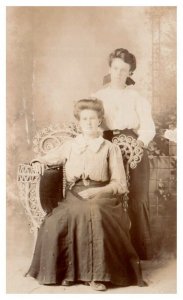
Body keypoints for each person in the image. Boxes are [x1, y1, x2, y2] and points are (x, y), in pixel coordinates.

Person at [26, 99, 147, 291]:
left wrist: (97, 191)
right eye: (84, 119)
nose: (89, 122)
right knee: (57, 220)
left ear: (99, 120)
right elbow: (47, 158)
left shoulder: (109, 148)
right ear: (79, 122)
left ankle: (97, 276)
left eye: (93, 118)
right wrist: (38, 163)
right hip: (75, 194)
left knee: (94, 212)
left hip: (103, 195)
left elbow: (120, 184)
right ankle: (68, 272)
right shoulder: (70, 146)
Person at [92, 48, 156, 260]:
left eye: (124, 70)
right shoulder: (98, 97)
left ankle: (137, 253)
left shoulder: (136, 98)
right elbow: (94, 126)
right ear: (110, 69)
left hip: (134, 147)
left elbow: (148, 128)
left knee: (136, 196)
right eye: (115, 68)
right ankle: (110, 254)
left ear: (130, 73)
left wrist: (138, 145)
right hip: (107, 146)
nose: (119, 73)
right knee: (108, 195)